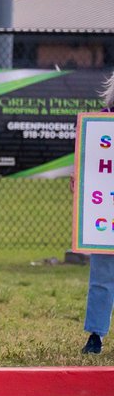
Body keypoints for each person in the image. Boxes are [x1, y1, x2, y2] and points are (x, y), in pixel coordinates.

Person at [80, 73, 114, 355]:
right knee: (102, 275)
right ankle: (96, 335)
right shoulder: (101, 122)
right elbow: (87, 161)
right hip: (104, 213)